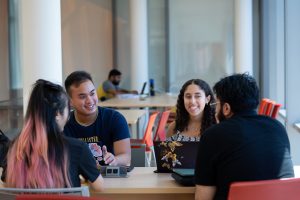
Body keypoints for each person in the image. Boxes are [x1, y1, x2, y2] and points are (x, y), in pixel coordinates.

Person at [194, 73, 294, 200]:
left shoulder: (213, 135)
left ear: (226, 108)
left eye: (217, 105)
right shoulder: (278, 127)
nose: (215, 110)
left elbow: (203, 197)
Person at [4, 79, 104, 190]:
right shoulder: (77, 148)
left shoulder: (15, 148)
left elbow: (7, 183)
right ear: (57, 114)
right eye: (68, 110)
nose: (69, 116)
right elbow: (100, 187)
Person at [64, 70, 131, 167]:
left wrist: (115, 160)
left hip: (109, 179)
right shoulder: (63, 124)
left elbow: (126, 157)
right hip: (76, 180)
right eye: (82, 97)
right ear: (70, 102)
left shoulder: (115, 119)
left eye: (92, 94)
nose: (90, 101)